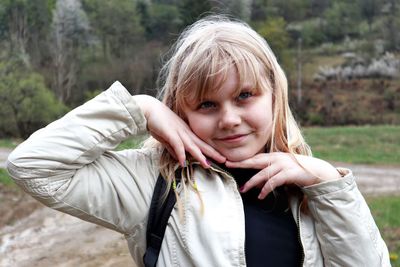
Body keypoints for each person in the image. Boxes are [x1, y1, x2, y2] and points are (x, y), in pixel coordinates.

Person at [7, 16, 390, 267]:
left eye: (244, 96)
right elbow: (32, 165)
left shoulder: (311, 187)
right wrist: (139, 109)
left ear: (274, 94)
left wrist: (326, 182)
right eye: (207, 104)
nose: (229, 119)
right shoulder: (153, 183)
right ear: (181, 110)